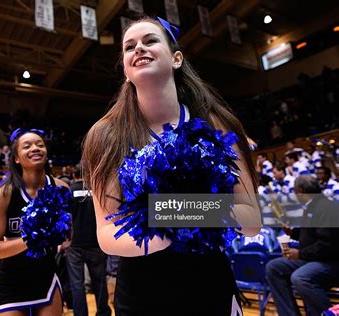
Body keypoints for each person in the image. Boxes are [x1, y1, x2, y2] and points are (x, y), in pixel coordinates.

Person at [82, 16, 261, 315]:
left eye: (150, 40)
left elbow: (252, 219)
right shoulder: (106, 135)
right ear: (126, 71)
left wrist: (165, 211)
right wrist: (189, 218)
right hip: (142, 297)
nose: (139, 48)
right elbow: (108, 234)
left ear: (176, 58)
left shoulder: (219, 124)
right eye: (129, 47)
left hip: (211, 288)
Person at [0, 129, 67, 315]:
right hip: (12, 282)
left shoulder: (61, 188)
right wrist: (32, 239)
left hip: (46, 278)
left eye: (40, 145)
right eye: (27, 146)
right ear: (16, 158)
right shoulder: (4, 194)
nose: (35, 148)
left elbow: (67, 233)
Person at [266, 175, 339, 316]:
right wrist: (292, 233)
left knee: (300, 277)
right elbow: (311, 235)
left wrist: (300, 254)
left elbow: (327, 245)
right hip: (313, 259)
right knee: (274, 267)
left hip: (331, 263)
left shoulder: (327, 208)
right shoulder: (312, 206)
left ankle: (328, 314)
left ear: (300, 191)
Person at [66, 163, 111, 316]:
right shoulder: (97, 191)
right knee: (99, 281)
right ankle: (103, 312)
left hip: (74, 244)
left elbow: (66, 218)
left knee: (77, 284)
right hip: (96, 242)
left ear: (74, 175)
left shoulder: (69, 191)